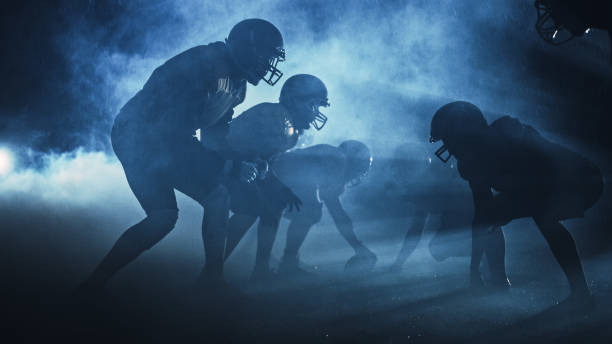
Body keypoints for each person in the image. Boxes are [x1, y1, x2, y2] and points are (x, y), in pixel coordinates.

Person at [78, 19, 286, 293]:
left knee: (165, 217)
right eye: (266, 55)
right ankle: (209, 281)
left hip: (161, 139)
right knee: (187, 207)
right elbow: (174, 134)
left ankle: (209, 279)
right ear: (248, 49)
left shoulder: (236, 82)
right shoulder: (203, 65)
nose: (269, 64)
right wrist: (232, 165)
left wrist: (244, 158)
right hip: (140, 137)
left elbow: (213, 135)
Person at [429, 101, 603, 300]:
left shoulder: (508, 132)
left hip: (581, 179)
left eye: (449, 139)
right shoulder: (472, 163)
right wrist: (473, 269)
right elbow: (482, 216)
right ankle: (499, 281)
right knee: (495, 214)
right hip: (550, 189)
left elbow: (546, 170)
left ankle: (580, 293)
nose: (448, 147)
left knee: (543, 214)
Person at [205, 74, 330, 282]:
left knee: (275, 202)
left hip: (237, 165)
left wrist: (279, 187)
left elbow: (262, 164)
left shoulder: (287, 124)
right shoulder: (276, 119)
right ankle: (211, 268)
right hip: (220, 163)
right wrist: (270, 182)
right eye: (313, 105)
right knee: (252, 206)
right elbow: (243, 154)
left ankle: (259, 269)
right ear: (295, 101)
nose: (315, 112)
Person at [225, 140, 377, 278]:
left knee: (256, 215)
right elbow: (336, 211)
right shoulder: (338, 161)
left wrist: (358, 246)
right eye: (357, 170)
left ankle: (229, 261)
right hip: (274, 177)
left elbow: (335, 209)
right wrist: (358, 246)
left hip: (272, 174)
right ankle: (276, 265)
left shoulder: (334, 157)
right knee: (308, 211)